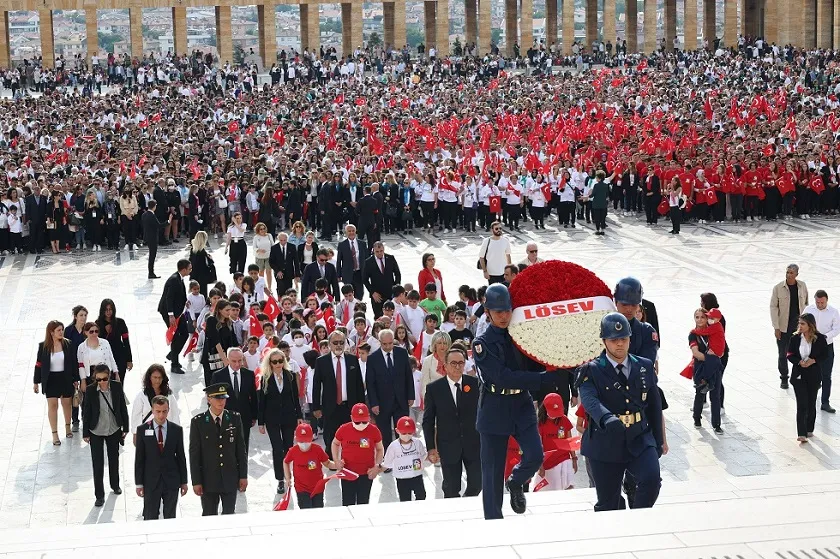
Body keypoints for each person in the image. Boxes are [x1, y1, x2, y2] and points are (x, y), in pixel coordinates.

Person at [472, 283, 564, 519]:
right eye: (498, 311)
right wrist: (543, 379)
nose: (504, 316)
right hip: (494, 406)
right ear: (488, 311)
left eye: (507, 310)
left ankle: (516, 482)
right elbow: (502, 377)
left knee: (534, 455)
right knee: (491, 474)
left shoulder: (522, 336)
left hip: (521, 405)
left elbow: (537, 361)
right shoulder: (481, 344)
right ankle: (494, 522)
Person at [576, 313, 664, 512]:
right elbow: (590, 399)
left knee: (651, 481)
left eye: (623, 339)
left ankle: (638, 520)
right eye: (614, 340)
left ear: (630, 339)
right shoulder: (592, 370)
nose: (619, 344)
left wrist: (658, 441)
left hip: (639, 437)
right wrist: (606, 417)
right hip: (605, 441)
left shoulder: (644, 366)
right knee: (609, 504)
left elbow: (654, 405)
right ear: (604, 341)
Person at [422, 347, 481, 498]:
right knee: (451, 488)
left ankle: (467, 505)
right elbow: (428, 420)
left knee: (477, 483)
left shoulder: (475, 385)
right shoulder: (434, 389)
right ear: (445, 365)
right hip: (448, 445)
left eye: (461, 363)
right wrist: (431, 448)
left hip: (473, 444)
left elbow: (485, 413)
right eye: (453, 363)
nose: (457, 367)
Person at [189, 383, 248, 515]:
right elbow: (194, 455)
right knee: (209, 515)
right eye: (217, 398)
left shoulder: (234, 418)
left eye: (224, 398)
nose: (221, 401)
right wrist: (196, 481)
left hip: (230, 478)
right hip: (208, 480)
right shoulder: (198, 422)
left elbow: (240, 450)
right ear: (209, 399)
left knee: (229, 515)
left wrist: (243, 475)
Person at [134, 395, 189, 520]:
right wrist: (139, 483)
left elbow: (181, 457)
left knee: (170, 516)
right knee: (150, 515)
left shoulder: (176, 430)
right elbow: (139, 459)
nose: (161, 415)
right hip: (151, 481)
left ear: (168, 410)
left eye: (164, 411)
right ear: (152, 410)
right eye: (158, 411)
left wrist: (184, 481)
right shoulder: (142, 430)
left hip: (171, 480)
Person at [312, 331, 365, 458]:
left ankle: (349, 459)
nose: (338, 345)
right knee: (330, 436)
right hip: (330, 406)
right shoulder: (321, 362)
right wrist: (316, 407)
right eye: (335, 343)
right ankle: (331, 459)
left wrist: (361, 406)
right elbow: (316, 386)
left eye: (341, 342)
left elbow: (359, 385)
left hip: (349, 406)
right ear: (329, 344)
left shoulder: (352, 360)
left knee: (351, 436)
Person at [83, 364, 130, 507]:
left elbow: (122, 407)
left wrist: (126, 427)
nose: (102, 382)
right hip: (96, 430)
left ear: (109, 376)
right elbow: (86, 412)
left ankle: (115, 485)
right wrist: (85, 433)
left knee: (114, 459)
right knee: (97, 464)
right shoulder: (91, 390)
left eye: (104, 379)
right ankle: (99, 495)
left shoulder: (116, 387)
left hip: (113, 429)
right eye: (98, 379)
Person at [258, 348, 304, 494]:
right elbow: (261, 401)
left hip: (289, 417)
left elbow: (295, 397)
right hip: (271, 419)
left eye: (280, 361)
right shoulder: (265, 378)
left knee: (288, 447)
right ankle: (280, 479)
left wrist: (299, 416)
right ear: (270, 363)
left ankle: (288, 475)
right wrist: (260, 422)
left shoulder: (290, 375)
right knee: (277, 449)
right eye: (275, 361)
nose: (278, 364)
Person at [365, 329, 415, 448]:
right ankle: (387, 459)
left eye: (390, 343)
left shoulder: (402, 353)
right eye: (384, 344)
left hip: (401, 401)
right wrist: (374, 403)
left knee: (403, 431)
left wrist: (411, 396)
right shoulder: (373, 358)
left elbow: (408, 375)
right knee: (384, 434)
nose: (388, 346)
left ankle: (403, 456)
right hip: (382, 403)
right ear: (379, 342)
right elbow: (370, 383)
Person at [33, 320, 79, 446]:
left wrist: (76, 379)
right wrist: (36, 382)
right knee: (53, 406)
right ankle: (55, 434)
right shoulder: (43, 346)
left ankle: (68, 427)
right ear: (51, 332)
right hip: (51, 380)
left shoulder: (68, 344)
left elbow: (73, 362)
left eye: (62, 329)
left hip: (65, 378)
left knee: (66, 404)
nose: (61, 332)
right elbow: (38, 364)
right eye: (58, 330)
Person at [331, 403, 385, 506]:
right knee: (347, 503)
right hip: (347, 473)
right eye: (357, 422)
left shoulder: (374, 430)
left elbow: (380, 449)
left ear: (369, 418)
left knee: (363, 503)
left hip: (366, 473)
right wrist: (336, 460)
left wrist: (377, 466)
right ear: (351, 418)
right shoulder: (344, 429)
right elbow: (335, 443)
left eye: (364, 421)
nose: (361, 424)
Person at [787, 313, 828, 442]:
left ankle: (809, 428)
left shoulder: (820, 338)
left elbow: (825, 355)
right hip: (799, 375)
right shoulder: (795, 338)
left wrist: (813, 360)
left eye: (803, 324)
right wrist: (799, 362)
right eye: (799, 323)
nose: (800, 326)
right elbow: (789, 354)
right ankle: (801, 433)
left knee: (811, 403)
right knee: (802, 403)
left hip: (813, 375)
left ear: (810, 325)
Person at [211, 348, 258, 452]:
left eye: (240, 360)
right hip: (225, 418)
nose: (237, 364)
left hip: (244, 418)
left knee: (243, 447)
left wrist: (254, 416)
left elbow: (253, 397)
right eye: (234, 361)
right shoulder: (218, 376)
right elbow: (212, 398)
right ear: (227, 359)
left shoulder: (249, 374)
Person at [770, 264, 809, 389]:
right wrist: (776, 327)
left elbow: (806, 304)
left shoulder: (802, 286)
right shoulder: (778, 288)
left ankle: (798, 376)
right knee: (783, 354)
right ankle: (784, 378)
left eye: (792, 273)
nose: (789, 275)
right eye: (787, 272)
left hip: (799, 328)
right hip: (783, 327)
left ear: (797, 274)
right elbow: (773, 307)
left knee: (800, 352)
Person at [283, 423, 336, 509]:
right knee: (306, 511)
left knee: (317, 509)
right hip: (301, 488)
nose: (304, 444)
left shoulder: (317, 449)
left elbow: (328, 463)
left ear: (312, 438)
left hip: (317, 487)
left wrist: (338, 465)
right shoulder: (293, 451)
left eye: (307, 441)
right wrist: (288, 477)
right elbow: (286, 462)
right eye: (301, 441)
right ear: (296, 439)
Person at [803, 289, 840, 413]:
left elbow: (836, 329)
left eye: (822, 303)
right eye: (818, 302)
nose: (819, 305)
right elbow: (802, 323)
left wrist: (825, 337)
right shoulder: (809, 310)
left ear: (826, 301)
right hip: (811, 345)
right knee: (810, 372)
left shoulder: (834, 312)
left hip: (826, 346)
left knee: (826, 375)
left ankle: (825, 402)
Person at [130, 364, 181, 444]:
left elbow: (175, 414)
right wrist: (135, 433)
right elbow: (136, 415)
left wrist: (176, 433)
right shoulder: (142, 395)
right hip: (148, 433)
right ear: (149, 377)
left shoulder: (169, 395)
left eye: (160, 378)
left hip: (165, 432)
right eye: (155, 377)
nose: (157, 380)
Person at [382, 416, 428, 501]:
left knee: (422, 495)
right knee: (405, 499)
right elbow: (387, 462)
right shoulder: (393, 446)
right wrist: (377, 469)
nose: (407, 435)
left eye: (410, 433)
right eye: (403, 433)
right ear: (397, 431)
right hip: (402, 478)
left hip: (416, 476)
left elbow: (423, 455)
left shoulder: (417, 443)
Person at [158, 259, 191, 375]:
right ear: (184, 269)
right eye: (189, 268)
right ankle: (174, 364)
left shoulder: (179, 278)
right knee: (176, 336)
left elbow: (179, 294)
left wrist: (185, 302)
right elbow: (169, 298)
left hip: (178, 312)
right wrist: (171, 315)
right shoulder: (174, 280)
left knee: (185, 333)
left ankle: (173, 354)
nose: (190, 270)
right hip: (170, 313)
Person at [95, 298, 133, 383]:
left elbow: (126, 341)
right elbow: (96, 341)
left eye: (110, 309)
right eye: (106, 310)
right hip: (105, 357)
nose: (108, 312)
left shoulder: (120, 322)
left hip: (120, 356)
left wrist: (129, 359)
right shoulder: (98, 324)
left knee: (119, 382)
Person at [362, 241, 402, 318]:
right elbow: (365, 279)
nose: (379, 253)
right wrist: (372, 292)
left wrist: (396, 289)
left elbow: (397, 274)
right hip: (377, 296)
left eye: (381, 251)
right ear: (373, 251)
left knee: (392, 316)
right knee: (378, 317)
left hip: (390, 293)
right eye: (377, 251)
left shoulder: (390, 258)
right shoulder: (368, 262)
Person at [336, 224, 367, 299]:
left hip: (359, 273)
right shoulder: (342, 245)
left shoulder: (362, 243)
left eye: (353, 231)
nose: (351, 232)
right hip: (347, 274)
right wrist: (338, 275)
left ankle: (358, 309)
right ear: (346, 232)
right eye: (349, 231)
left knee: (359, 294)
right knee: (348, 294)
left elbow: (366, 258)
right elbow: (339, 260)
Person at [269, 231, 300, 297]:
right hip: (279, 272)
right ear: (278, 240)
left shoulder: (292, 247)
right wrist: (277, 271)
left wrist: (297, 274)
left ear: (287, 239)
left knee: (289, 289)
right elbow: (271, 262)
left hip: (289, 272)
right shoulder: (274, 248)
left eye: (284, 240)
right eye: (281, 240)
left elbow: (296, 261)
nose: (283, 242)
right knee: (280, 288)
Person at [142, 200, 165, 279]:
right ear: (154, 206)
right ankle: (151, 273)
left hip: (147, 236)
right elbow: (158, 225)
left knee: (151, 255)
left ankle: (151, 272)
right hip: (152, 237)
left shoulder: (144, 214)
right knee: (152, 256)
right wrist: (168, 222)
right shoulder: (151, 215)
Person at [188, 231, 216, 297]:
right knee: (203, 295)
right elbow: (206, 265)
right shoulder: (202, 252)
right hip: (202, 277)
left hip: (194, 276)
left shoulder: (193, 250)